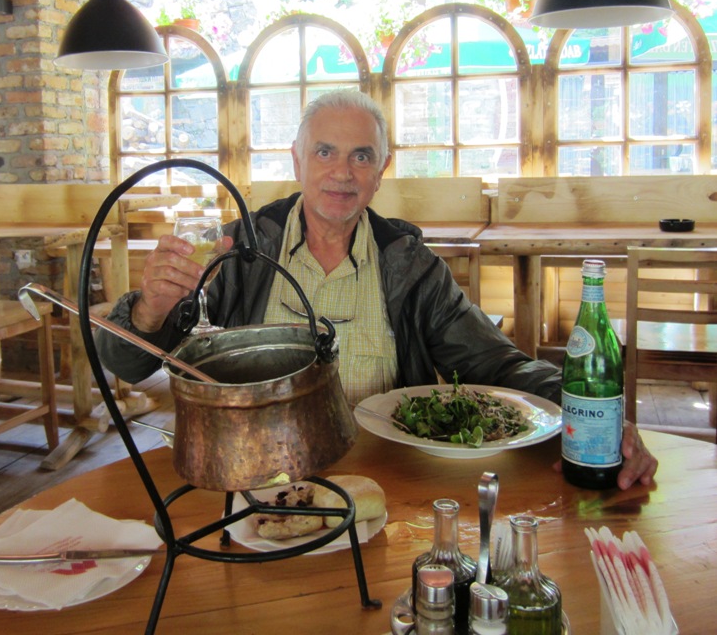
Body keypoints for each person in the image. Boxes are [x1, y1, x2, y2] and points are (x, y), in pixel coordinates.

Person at [96, 89, 657, 491]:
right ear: (296, 161)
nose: (342, 172)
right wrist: (151, 310)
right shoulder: (238, 252)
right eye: (325, 152)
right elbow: (128, 362)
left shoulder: (409, 265)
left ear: (380, 171)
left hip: (389, 482)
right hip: (251, 479)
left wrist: (590, 415)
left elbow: (498, 364)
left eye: (361, 155)